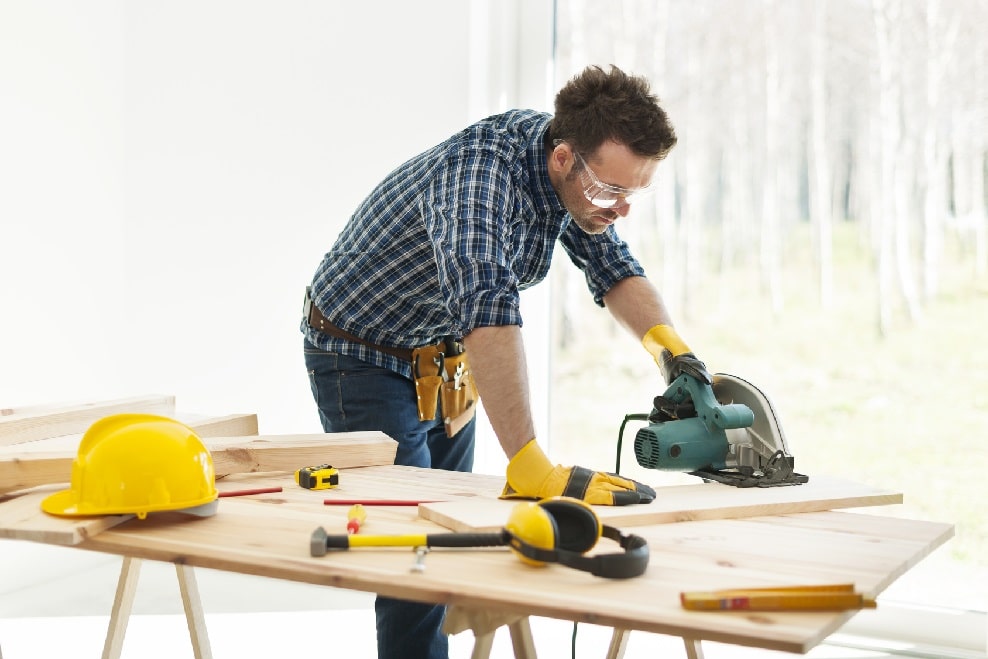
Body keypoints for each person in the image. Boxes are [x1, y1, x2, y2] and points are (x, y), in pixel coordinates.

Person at [301, 64, 711, 659]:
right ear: (563, 158)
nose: (620, 208)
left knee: (453, 533)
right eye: (611, 190)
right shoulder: (477, 182)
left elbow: (614, 268)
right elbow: (487, 315)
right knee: (411, 557)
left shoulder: (577, 182)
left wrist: (676, 356)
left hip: (439, 357)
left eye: (634, 192)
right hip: (359, 355)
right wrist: (528, 462)